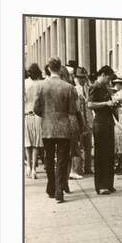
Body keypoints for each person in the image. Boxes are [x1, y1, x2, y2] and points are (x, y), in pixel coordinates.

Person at [33, 57, 81, 203]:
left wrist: (47, 115)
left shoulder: (41, 86)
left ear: (48, 68)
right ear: (60, 69)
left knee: (48, 158)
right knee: (62, 160)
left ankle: (51, 186)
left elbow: (36, 108)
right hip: (63, 127)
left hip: (47, 127)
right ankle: (59, 190)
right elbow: (72, 110)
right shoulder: (68, 87)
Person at [88, 65, 117, 195]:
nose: (109, 81)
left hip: (108, 122)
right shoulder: (95, 87)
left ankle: (109, 183)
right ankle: (101, 185)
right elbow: (90, 104)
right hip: (100, 123)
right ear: (103, 75)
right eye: (108, 78)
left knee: (109, 154)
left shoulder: (104, 87)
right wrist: (106, 104)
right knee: (101, 154)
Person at [24, 63, 44, 179]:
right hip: (38, 115)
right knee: (36, 142)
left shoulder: (25, 83)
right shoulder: (41, 84)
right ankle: (34, 170)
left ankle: (29, 166)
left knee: (27, 142)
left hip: (26, 114)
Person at [73, 67, 93, 175]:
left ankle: (88, 167)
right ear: (76, 78)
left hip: (89, 119)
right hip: (80, 120)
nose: (82, 80)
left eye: (84, 78)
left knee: (88, 146)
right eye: (80, 78)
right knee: (79, 146)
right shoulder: (75, 89)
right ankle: (78, 169)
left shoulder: (88, 89)